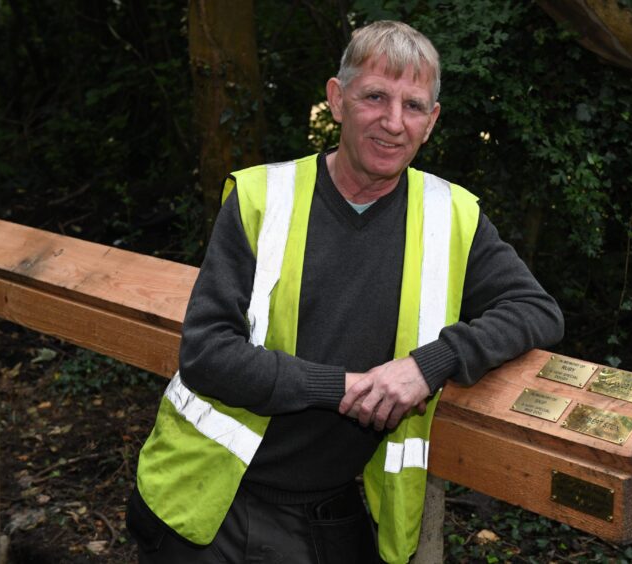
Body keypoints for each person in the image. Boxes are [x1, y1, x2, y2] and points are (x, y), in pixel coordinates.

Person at [126, 20, 563, 564]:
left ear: (432, 123)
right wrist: (338, 386)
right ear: (336, 100)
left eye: (414, 106)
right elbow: (206, 354)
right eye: (375, 97)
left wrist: (429, 364)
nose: (393, 122)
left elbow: (536, 310)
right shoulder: (262, 198)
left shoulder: (450, 216)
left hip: (327, 515)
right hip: (202, 502)